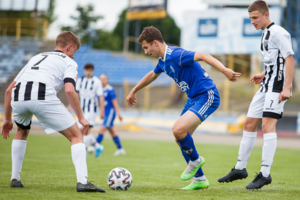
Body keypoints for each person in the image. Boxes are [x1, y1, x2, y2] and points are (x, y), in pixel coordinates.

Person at [126, 26, 241, 190]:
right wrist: (134, 90)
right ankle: (200, 178)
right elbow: (152, 74)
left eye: (146, 47)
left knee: (178, 129)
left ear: (155, 43)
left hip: (207, 95)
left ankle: (195, 161)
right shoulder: (163, 61)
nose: (145, 52)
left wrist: (224, 70)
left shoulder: (176, 55)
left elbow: (202, 55)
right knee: (180, 138)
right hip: (193, 99)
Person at [1, 31, 105, 193]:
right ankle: (83, 182)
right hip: (42, 94)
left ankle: (15, 178)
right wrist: (82, 118)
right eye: (74, 52)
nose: (73, 56)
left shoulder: (36, 57)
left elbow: (9, 90)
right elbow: (70, 91)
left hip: (19, 96)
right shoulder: (69, 62)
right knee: (76, 135)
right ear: (69, 47)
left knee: (21, 131)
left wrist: (7, 119)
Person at [218, 0, 295, 190]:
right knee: (249, 123)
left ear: (266, 15)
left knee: (268, 125)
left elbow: (290, 60)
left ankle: (265, 174)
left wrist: (287, 88)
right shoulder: (265, 34)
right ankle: (240, 168)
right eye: (250, 18)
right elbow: (274, 62)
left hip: (277, 86)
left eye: (255, 17)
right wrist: (263, 73)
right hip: (266, 84)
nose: (252, 21)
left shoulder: (279, 33)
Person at [68, 63, 105, 158]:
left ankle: (83, 151)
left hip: (91, 110)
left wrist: (102, 111)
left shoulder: (96, 81)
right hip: (81, 109)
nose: (88, 72)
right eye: (86, 70)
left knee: (86, 130)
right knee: (80, 131)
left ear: (92, 71)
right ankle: (97, 146)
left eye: (90, 70)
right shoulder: (80, 80)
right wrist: (70, 107)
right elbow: (75, 95)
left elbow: (100, 96)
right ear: (84, 70)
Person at [96, 74, 125, 156]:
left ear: (107, 80)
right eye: (100, 79)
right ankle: (120, 149)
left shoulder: (110, 89)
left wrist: (119, 114)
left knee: (102, 128)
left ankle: (95, 146)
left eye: (104, 79)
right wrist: (101, 112)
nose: (102, 80)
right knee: (112, 131)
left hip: (111, 113)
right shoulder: (99, 90)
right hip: (105, 114)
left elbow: (115, 103)